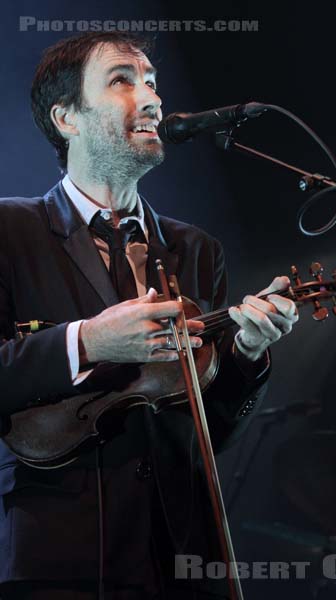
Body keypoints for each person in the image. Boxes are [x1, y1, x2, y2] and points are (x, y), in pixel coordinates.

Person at [0, 31, 298, 599]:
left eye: (153, 82)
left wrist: (247, 357)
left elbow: (207, 433)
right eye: (122, 81)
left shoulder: (196, 250)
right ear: (68, 118)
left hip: (182, 559)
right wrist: (88, 341)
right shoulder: (9, 231)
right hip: (56, 560)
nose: (154, 98)